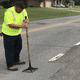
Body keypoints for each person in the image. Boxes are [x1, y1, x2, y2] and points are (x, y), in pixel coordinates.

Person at [2, 1, 29, 71]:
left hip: (17, 33)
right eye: (20, 9)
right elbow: (11, 25)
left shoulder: (23, 10)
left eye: (23, 9)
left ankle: (16, 60)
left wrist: (26, 21)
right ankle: (10, 65)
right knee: (9, 50)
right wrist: (23, 26)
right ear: (16, 7)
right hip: (8, 33)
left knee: (18, 47)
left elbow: (25, 18)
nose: (21, 11)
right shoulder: (9, 12)